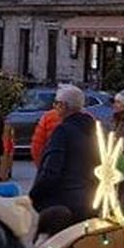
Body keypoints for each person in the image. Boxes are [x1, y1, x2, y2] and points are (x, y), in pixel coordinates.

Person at [28, 85, 99, 235]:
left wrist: (33, 196)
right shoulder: (94, 131)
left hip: (64, 205)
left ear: (63, 106)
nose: (54, 107)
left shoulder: (63, 131)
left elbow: (51, 171)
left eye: (56, 103)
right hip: (90, 202)